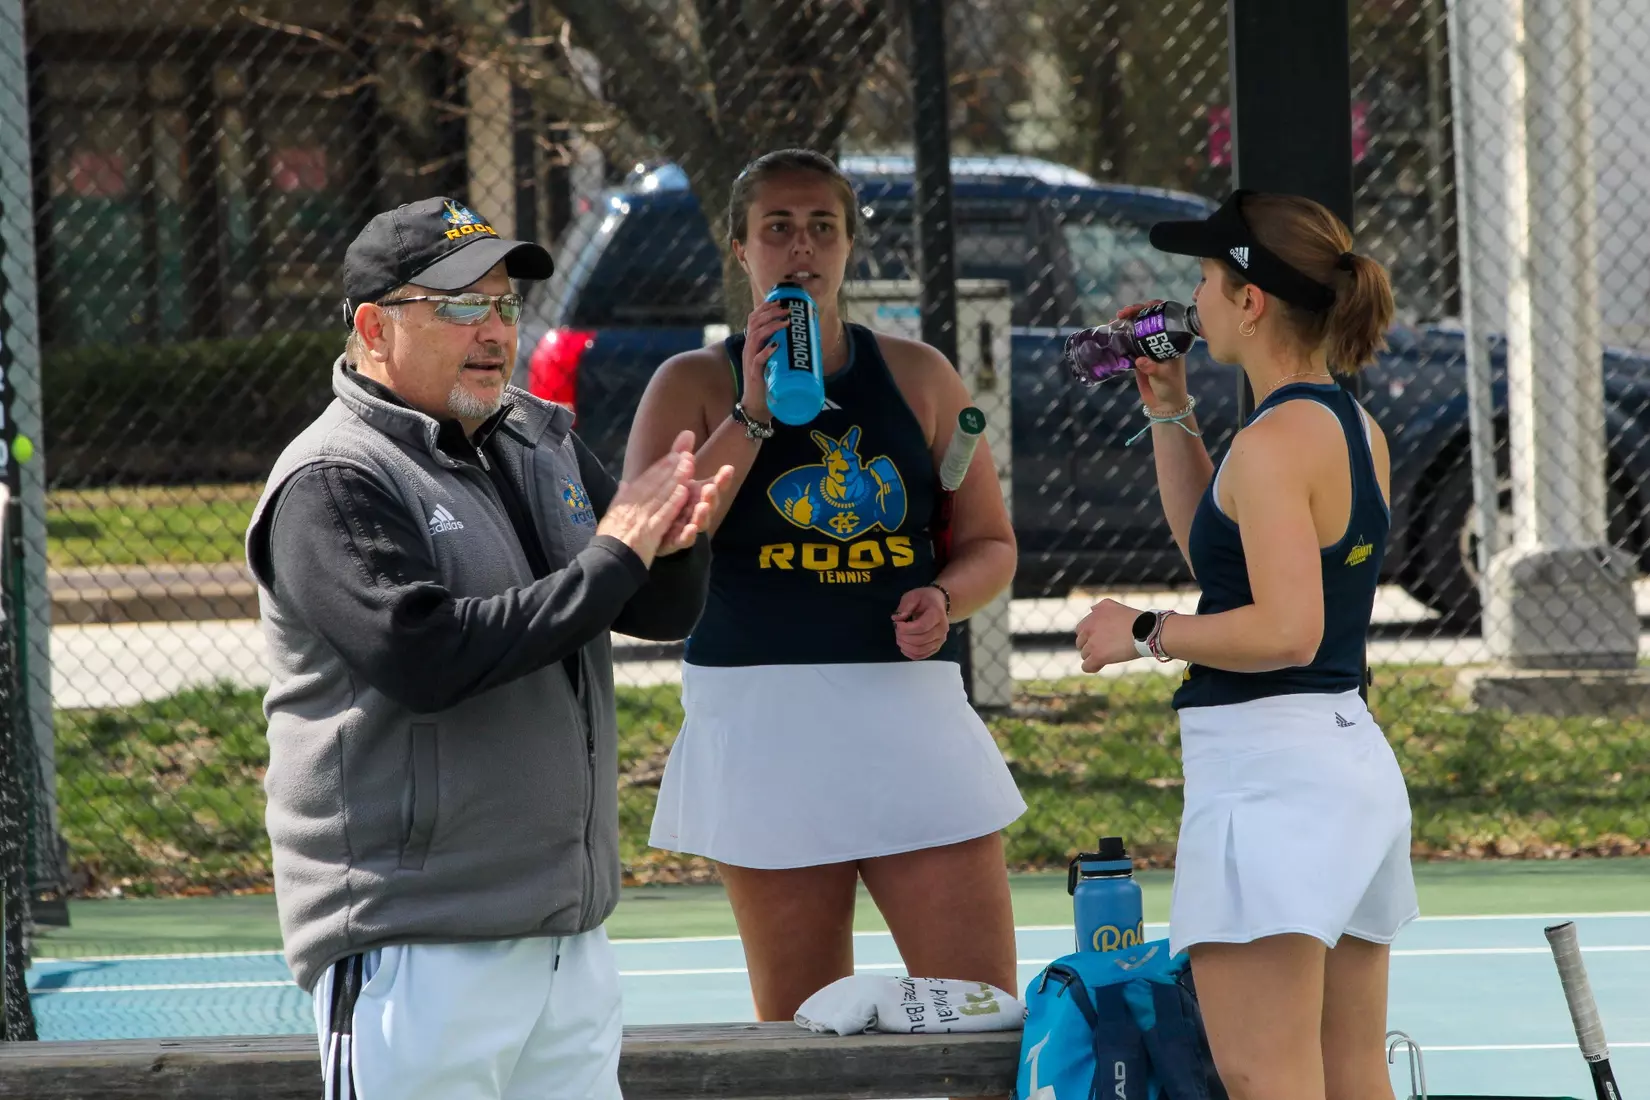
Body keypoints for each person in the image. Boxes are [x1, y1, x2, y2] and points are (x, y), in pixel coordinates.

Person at [244, 195, 733, 1100]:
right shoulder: (334, 477)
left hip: (567, 944)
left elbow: (648, 608)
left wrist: (672, 544)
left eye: (506, 306)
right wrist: (618, 550)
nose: (494, 332)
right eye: (461, 306)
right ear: (373, 327)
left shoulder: (536, 437)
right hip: (414, 950)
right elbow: (427, 660)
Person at [624, 149, 1026, 1030]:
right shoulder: (691, 385)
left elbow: (993, 543)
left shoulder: (919, 376)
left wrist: (947, 599)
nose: (801, 247)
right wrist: (756, 410)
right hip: (762, 720)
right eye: (777, 228)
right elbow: (653, 539)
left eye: (822, 228)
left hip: (906, 713)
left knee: (985, 1019)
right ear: (741, 251)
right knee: (803, 1042)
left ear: (849, 247)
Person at [1072, 190, 1416, 1100]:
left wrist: (1140, 633)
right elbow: (1223, 565)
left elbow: (1285, 629)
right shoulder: (1343, 425)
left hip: (1273, 778)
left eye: (1205, 279)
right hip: (1342, 768)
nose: (1197, 299)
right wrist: (1169, 411)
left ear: (1251, 300)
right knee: (1348, 1074)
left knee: (1264, 1078)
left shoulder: (1272, 445)